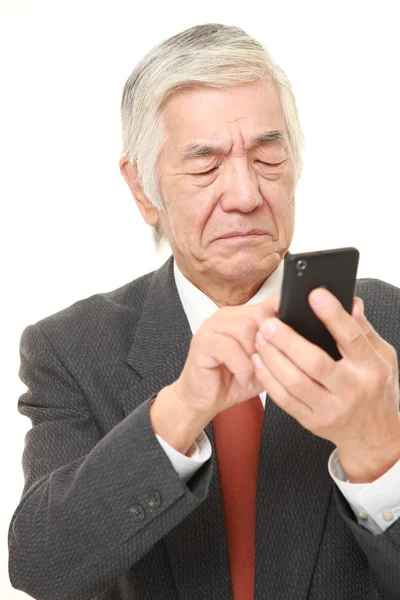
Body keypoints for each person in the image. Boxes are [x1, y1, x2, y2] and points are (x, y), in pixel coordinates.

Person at [8, 23, 400, 600]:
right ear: (143, 190)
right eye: (205, 164)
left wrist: (379, 457)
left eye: (267, 156)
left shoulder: (385, 328)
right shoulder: (71, 349)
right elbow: (41, 567)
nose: (244, 194)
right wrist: (181, 409)